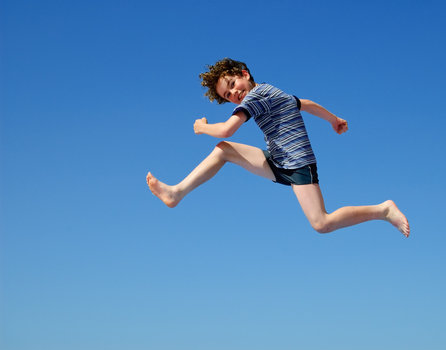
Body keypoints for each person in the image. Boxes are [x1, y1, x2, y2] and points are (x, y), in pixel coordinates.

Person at [146, 58, 410, 236]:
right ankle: (176, 192)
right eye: (227, 96)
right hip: (278, 159)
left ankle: (383, 209)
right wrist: (334, 119)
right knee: (224, 150)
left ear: (244, 74)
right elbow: (305, 103)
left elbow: (227, 128)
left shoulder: (257, 96)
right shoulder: (271, 91)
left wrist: (201, 127)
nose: (234, 94)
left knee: (321, 223)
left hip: (297, 164)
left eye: (233, 86)